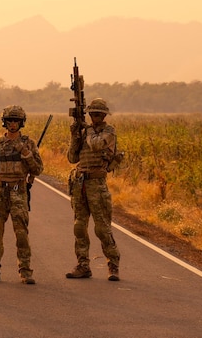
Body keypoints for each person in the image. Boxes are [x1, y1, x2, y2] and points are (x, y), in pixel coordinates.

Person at [0, 105, 43, 284]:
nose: (12, 124)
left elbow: (37, 169)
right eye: (9, 121)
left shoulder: (28, 143)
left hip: (18, 191)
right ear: (4, 122)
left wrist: (25, 153)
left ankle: (25, 270)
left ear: (21, 122)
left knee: (21, 233)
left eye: (16, 120)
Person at [66, 98, 121, 281]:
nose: (94, 117)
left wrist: (86, 130)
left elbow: (97, 144)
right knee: (79, 227)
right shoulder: (85, 133)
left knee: (102, 229)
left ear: (104, 115)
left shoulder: (108, 132)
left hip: (97, 185)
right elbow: (72, 157)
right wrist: (75, 135)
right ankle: (83, 265)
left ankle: (113, 264)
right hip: (80, 184)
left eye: (98, 114)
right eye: (92, 114)